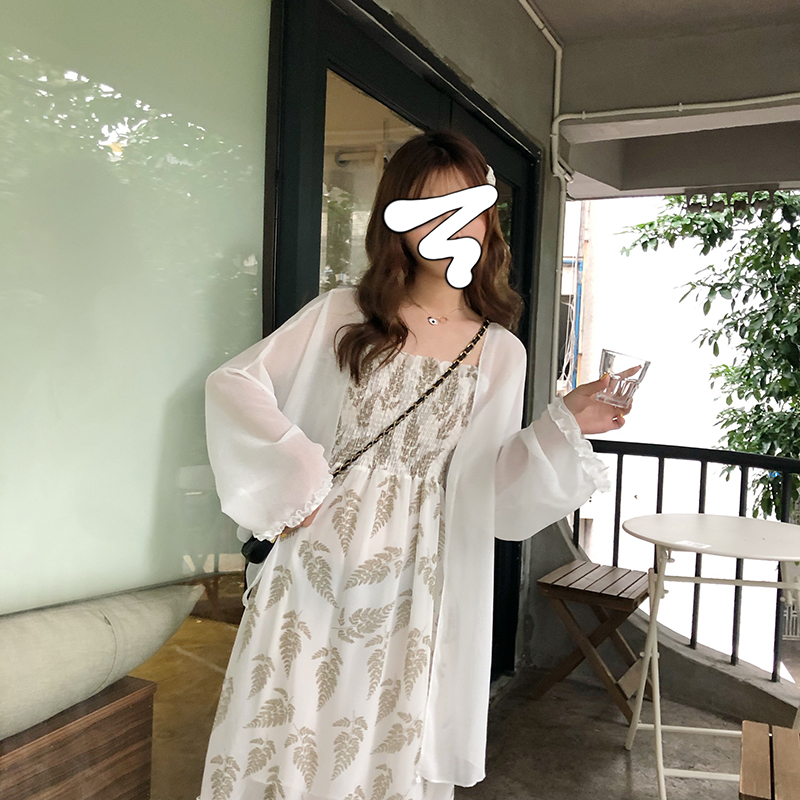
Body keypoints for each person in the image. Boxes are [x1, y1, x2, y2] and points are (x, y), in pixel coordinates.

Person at [197, 129, 625, 800]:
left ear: (487, 218)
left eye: (464, 206)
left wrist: (564, 422)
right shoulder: (342, 314)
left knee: (377, 730)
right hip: (315, 559)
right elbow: (235, 384)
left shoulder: (500, 351)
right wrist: (296, 474)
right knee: (289, 716)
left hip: (416, 578)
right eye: (428, 208)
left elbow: (488, 487)